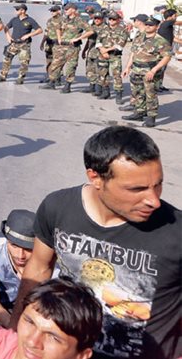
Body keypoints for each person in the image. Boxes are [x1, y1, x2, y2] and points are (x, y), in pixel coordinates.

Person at [11, 126, 181, 359]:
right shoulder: (58, 208)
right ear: (95, 178)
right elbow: (39, 268)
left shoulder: (176, 232)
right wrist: (15, 331)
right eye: (137, 189)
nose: (153, 200)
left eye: (157, 185)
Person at [120, 17, 172, 127]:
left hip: (149, 71)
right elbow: (133, 53)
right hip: (137, 69)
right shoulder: (139, 37)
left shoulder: (160, 41)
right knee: (137, 92)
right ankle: (139, 112)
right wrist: (128, 67)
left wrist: (154, 70)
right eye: (147, 24)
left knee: (150, 94)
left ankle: (151, 117)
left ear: (157, 26)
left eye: (151, 25)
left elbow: (167, 57)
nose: (148, 27)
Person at [40, 3, 93, 93]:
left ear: (73, 10)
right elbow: (57, 28)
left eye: (67, 9)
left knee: (70, 66)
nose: (65, 11)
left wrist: (78, 38)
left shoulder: (79, 21)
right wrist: (59, 38)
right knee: (55, 64)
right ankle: (52, 82)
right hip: (61, 46)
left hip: (72, 47)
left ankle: (67, 86)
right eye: (65, 9)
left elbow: (90, 31)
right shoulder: (63, 19)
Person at [0, 4, 42, 84]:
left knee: (24, 62)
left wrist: (28, 35)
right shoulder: (14, 19)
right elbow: (6, 27)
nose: (16, 11)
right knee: (6, 60)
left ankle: (20, 78)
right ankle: (3, 76)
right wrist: (8, 36)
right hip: (14, 43)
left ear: (23, 11)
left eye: (17, 10)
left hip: (24, 45)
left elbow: (39, 30)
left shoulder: (30, 20)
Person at [95, 12, 129, 103]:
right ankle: (106, 92)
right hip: (102, 55)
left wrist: (106, 50)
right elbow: (98, 41)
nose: (111, 21)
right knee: (103, 74)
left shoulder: (123, 30)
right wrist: (102, 50)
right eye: (110, 19)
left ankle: (118, 95)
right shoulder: (104, 29)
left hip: (114, 55)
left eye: (113, 19)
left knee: (116, 75)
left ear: (118, 20)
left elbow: (120, 44)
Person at [81, 13, 106, 95]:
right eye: (95, 18)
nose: (97, 20)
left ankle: (99, 89)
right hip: (91, 52)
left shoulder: (105, 28)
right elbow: (89, 41)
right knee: (90, 70)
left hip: (100, 53)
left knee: (100, 71)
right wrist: (84, 50)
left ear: (102, 19)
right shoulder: (92, 28)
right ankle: (92, 86)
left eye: (99, 18)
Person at [39, 5, 63, 82]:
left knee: (57, 61)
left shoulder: (63, 20)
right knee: (49, 61)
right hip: (49, 43)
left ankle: (57, 79)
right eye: (51, 11)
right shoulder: (49, 20)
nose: (52, 12)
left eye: (54, 11)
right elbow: (46, 32)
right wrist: (42, 42)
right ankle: (50, 77)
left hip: (58, 43)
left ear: (59, 11)